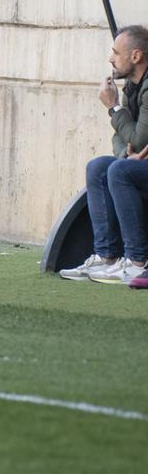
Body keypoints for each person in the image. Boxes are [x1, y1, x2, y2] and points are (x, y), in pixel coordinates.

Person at [60, 25, 148, 284]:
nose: (110, 59)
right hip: (141, 163)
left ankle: (136, 261)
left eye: (115, 53)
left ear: (136, 56)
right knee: (98, 167)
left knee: (119, 171)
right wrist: (125, 154)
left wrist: (113, 107)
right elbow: (122, 137)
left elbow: (140, 137)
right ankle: (106, 257)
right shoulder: (132, 86)